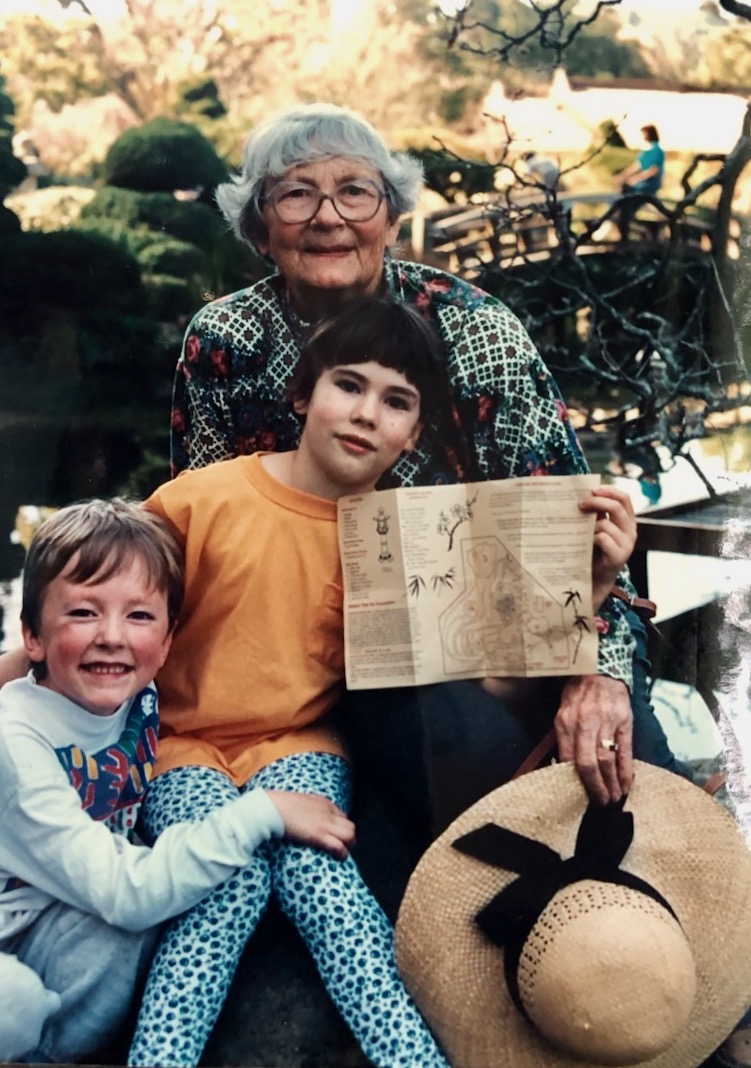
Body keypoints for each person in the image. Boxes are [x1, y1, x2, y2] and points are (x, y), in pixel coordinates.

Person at [169, 101, 685, 814]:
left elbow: (584, 545)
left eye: (355, 191)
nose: (327, 217)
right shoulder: (226, 340)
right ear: (260, 226)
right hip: (315, 673)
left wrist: (596, 676)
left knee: (642, 797)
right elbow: (189, 551)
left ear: (391, 215)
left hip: (509, 642)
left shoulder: (477, 331)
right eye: (295, 193)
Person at [127, 299, 454, 1068]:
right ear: (304, 393)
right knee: (222, 880)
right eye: (348, 385)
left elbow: (467, 668)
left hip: (301, 746)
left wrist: (596, 581)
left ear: (413, 434)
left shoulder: (401, 538)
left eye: (396, 402)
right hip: (182, 745)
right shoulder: (199, 501)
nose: (366, 414)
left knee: (328, 886)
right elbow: (100, 613)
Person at [0, 499, 355, 1064]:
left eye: (139, 617)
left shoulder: (133, 687)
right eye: (84, 613)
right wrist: (259, 811)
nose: (112, 637)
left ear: (168, 644)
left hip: (52, 912)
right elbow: (121, 889)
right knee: (15, 1003)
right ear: (34, 638)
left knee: (127, 933)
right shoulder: (16, 743)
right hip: (18, 925)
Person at [614, 124, 665, 240]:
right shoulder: (645, 152)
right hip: (640, 186)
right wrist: (622, 176)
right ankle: (625, 231)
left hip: (647, 187)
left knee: (626, 207)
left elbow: (653, 170)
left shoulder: (657, 151)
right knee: (624, 205)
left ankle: (626, 235)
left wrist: (636, 178)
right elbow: (636, 166)